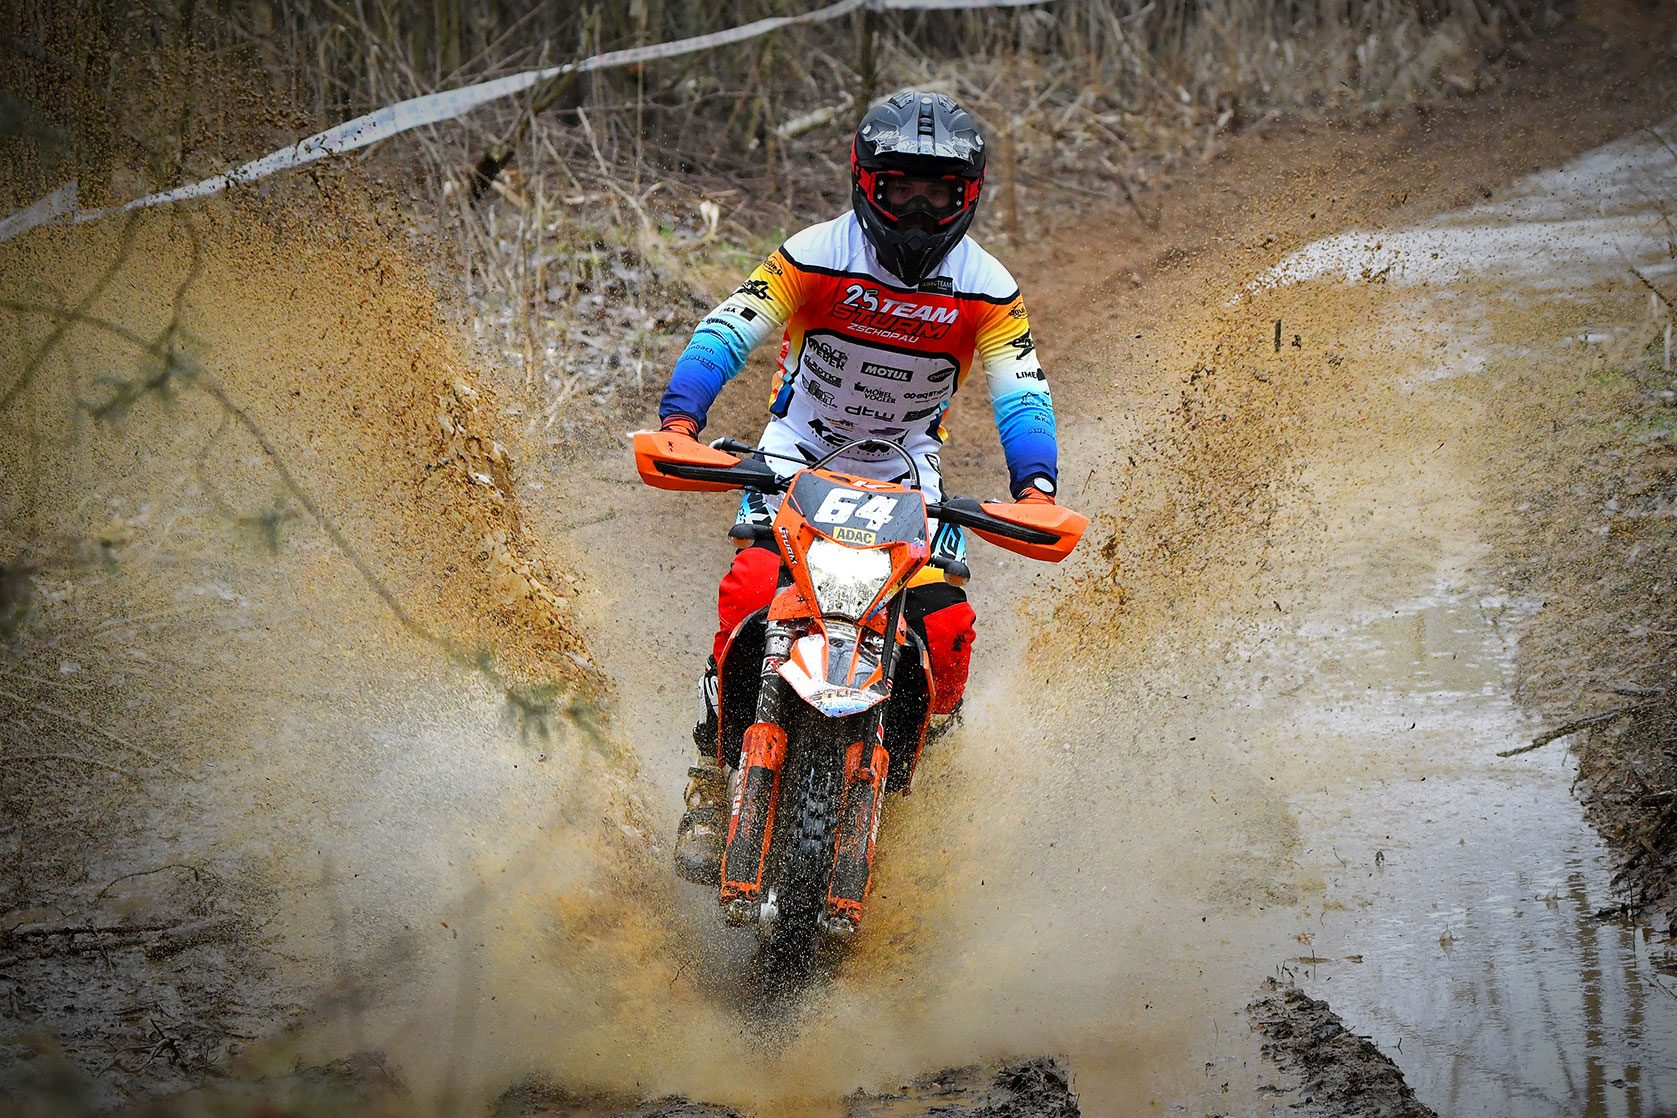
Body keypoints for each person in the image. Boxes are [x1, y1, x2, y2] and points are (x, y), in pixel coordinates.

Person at [655, 90, 1059, 882]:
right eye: (899, 187)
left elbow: (1023, 391)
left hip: (907, 469)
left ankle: (922, 770)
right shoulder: (811, 254)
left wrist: (1036, 487)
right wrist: (679, 422)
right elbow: (726, 329)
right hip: (794, 456)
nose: (915, 209)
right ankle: (710, 779)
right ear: (865, 180)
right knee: (747, 593)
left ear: (965, 197)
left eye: (936, 192)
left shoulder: (988, 288)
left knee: (944, 626)